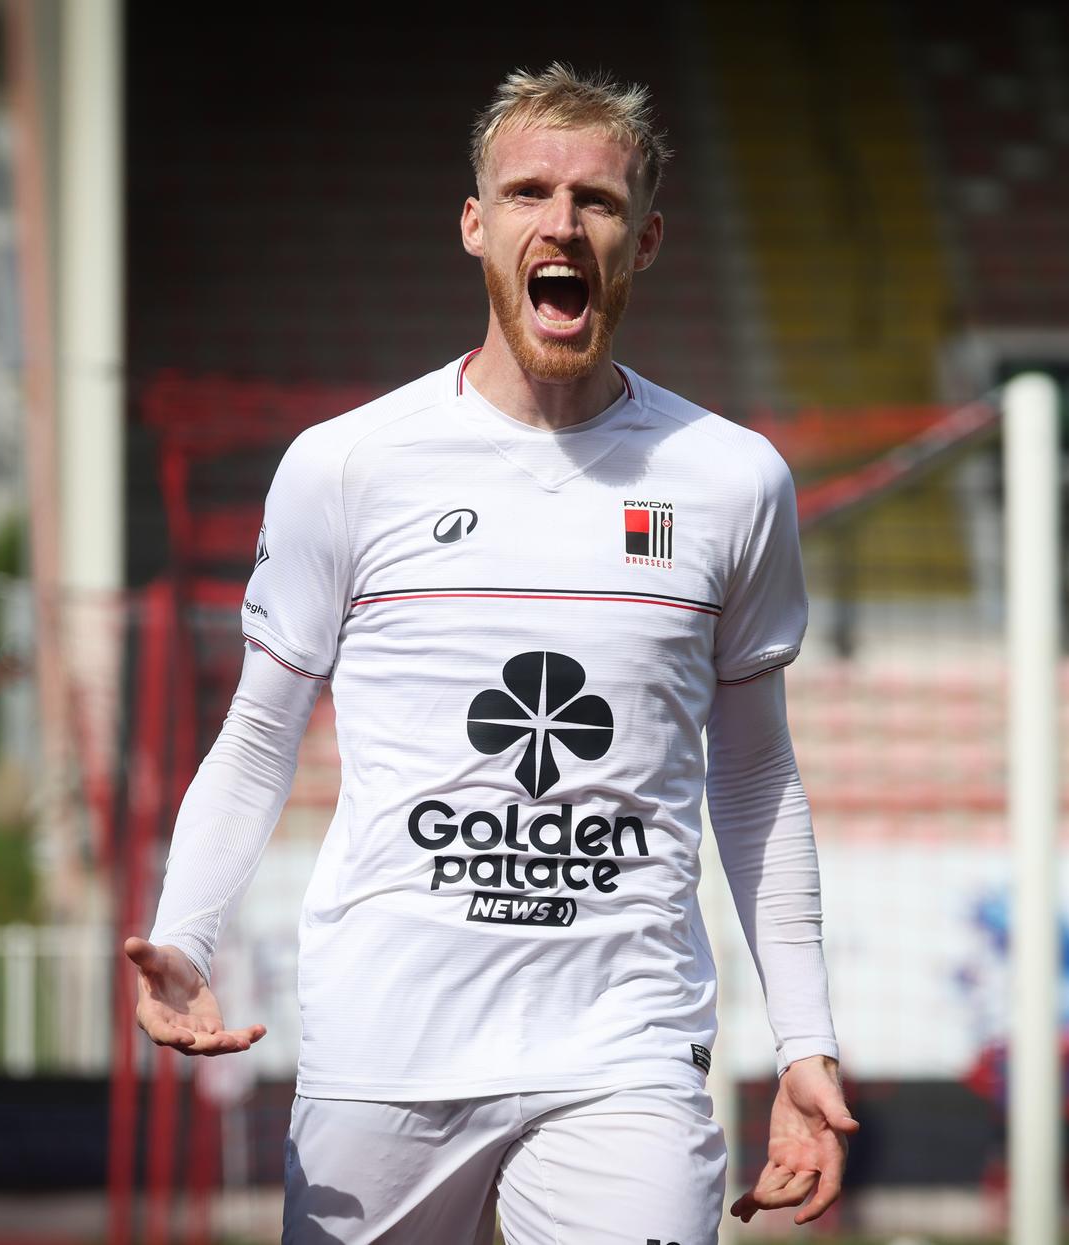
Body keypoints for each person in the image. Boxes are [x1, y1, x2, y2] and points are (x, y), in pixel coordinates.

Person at [123, 63, 854, 1243]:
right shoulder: (348, 465)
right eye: (527, 192)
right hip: (386, 1050)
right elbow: (260, 734)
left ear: (646, 239)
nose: (561, 222)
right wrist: (186, 933)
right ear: (476, 225)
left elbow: (758, 777)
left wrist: (807, 1040)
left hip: (627, 1052)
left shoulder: (732, 480)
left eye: (599, 202)